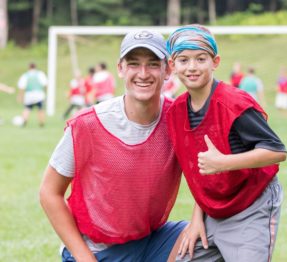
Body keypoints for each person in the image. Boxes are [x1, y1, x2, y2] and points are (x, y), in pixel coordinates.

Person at [39, 29, 187, 262]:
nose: (143, 73)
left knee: (216, 233)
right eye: (134, 64)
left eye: (152, 64)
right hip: (99, 251)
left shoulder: (179, 119)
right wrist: (84, 257)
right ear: (120, 68)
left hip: (152, 241)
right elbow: (49, 192)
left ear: (167, 69)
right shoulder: (87, 125)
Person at [166, 24, 287, 262]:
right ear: (172, 65)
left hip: (251, 205)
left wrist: (224, 162)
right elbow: (199, 171)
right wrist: (196, 218)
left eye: (201, 59)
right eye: (183, 60)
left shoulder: (234, 103)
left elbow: (276, 150)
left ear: (215, 62)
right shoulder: (176, 112)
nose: (192, 67)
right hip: (212, 211)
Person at [17, 63, 47, 127]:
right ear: (35, 67)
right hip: (39, 94)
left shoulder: (25, 75)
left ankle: (24, 122)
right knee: (40, 109)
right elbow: (45, 84)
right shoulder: (40, 74)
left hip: (29, 94)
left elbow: (22, 87)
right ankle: (41, 123)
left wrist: (20, 96)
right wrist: (45, 92)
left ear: (29, 67)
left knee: (27, 108)